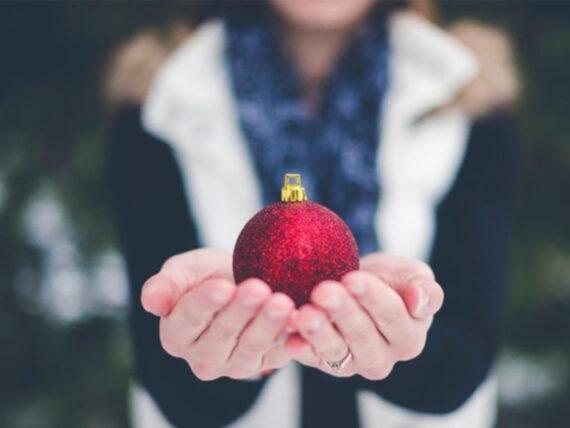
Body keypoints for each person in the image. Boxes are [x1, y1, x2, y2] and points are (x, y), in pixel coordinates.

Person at [105, 1, 519, 427]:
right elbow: (168, 377)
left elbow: (469, 347)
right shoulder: (159, 101)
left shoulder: (466, 92)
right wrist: (227, 353)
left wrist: (398, 347)